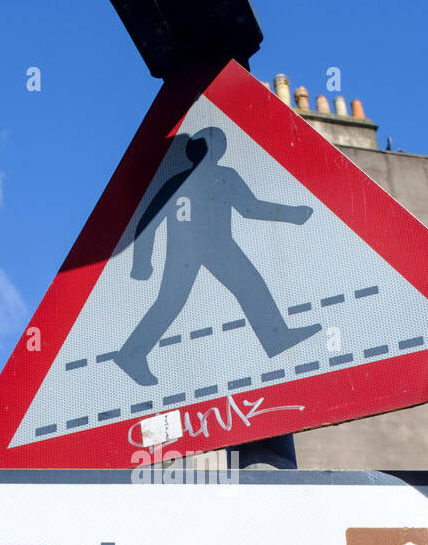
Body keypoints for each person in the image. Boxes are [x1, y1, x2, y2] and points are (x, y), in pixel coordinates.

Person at [111, 127, 322, 387]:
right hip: (204, 246)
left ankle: (276, 337)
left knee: (246, 287)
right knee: (176, 301)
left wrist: (142, 263)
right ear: (217, 151)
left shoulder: (189, 180)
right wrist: (141, 262)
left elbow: (149, 223)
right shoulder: (212, 177)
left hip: (203, 247)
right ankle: (132, 354)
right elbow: (249, 209)